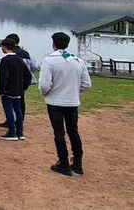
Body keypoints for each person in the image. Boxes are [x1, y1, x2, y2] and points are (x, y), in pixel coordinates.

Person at [39, 32, 92, 176]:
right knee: (73, 131)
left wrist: (47, 93)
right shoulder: (78, 61)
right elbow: (87, 84)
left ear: (54, 44)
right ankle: (77, 162)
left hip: (55, 101)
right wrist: (74, 91)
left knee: (59, 132)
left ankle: (63, 162)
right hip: (72, 101)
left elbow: (44, 85)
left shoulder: (49, 61)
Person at [0, 39, 32, 141]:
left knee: (8, 109)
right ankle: (20, 132)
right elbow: (28, 75)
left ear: (4, 47)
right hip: (18, 89)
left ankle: (12, 132)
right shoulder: (19, 59)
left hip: (8, 90)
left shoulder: (5, 60)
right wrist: (23, 86)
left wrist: (1, 90)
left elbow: (3, 77)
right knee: (18, 110)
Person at [0, 33, 37, 127]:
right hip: (22, 81)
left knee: (10, 104)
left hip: (12, 82)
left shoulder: (11, 56)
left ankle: (10, 122)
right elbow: (33, 67)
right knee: (20, 103)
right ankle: (20, 120)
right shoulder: (25, 53)